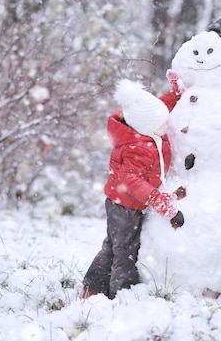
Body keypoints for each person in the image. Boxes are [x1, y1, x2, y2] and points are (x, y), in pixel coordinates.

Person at [82, 79, 186, 299]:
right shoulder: (138, 149)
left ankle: (93, 286)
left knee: (113, 246)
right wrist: (161, 203)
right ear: (148, 128)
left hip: (125, 203)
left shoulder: (145, 127)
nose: (168, 124)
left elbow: (159, 109)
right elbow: (130, 181)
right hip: (124, 207)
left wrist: (175, 95)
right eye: (163, 123)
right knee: (125, 251)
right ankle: (121, 294)